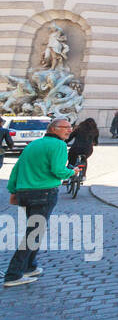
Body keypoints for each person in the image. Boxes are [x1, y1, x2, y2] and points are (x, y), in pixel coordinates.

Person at [4, 116, 76, 287]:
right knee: (33, 233)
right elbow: (58, 170)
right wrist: (72, 173)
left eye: (70, 127)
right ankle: (13, 274)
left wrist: (13, 190)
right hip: (44, 193)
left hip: (25, 192)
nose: (69, 130)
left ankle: (30, 266)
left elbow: (17, 168)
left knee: (34, 231)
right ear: (53, 129)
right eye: (64, 127)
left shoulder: (34, 144)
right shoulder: (59, 145)